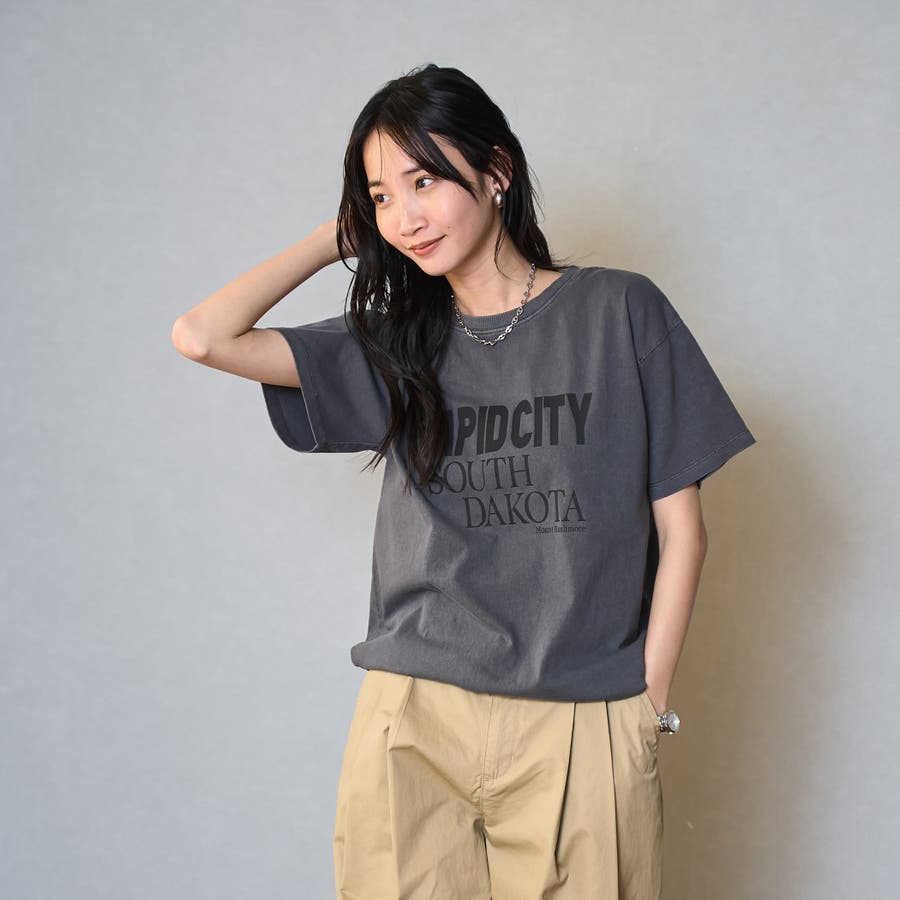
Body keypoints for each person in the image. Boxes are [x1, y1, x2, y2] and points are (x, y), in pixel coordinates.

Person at [172, 63, 756, 900]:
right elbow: (203, 336)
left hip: (578, 711)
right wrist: (337, 235)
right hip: (413, 713)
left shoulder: (618, 313)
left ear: (496, 170)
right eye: (381, 196)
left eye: (424, 181)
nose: (404, 217)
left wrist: (646, 707)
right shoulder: (396, 345)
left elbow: (683, 530)